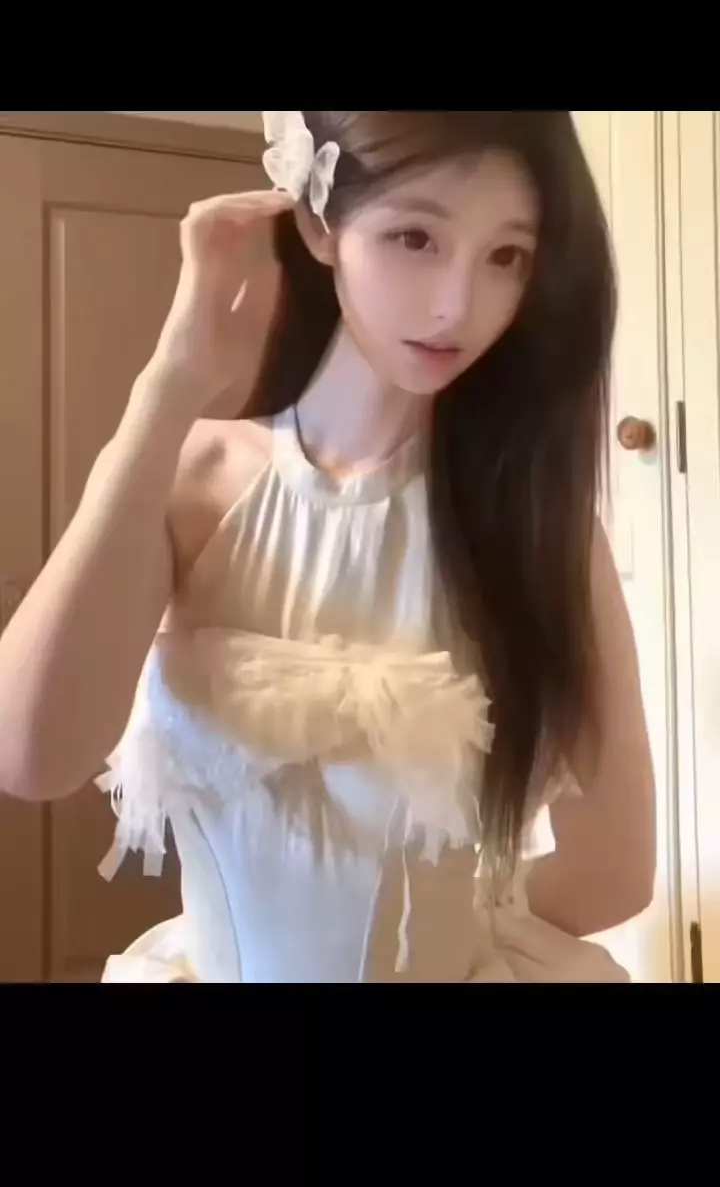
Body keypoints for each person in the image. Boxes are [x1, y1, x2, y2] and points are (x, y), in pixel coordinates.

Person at [0, 111, 656, 983]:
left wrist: (439, 933)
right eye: (415, 237)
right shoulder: (193, 475)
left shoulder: (542, 524)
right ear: (318, 223)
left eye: (507, 255)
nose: (457, 304)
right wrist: (171, 382)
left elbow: (615, 869)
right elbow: (31, 756)